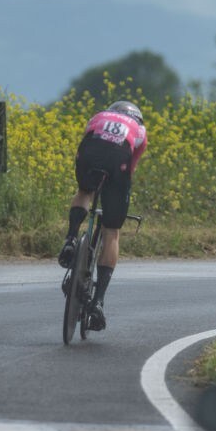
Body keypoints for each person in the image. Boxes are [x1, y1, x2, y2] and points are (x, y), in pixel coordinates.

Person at [57, 100, 148, 331]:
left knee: (84, 191)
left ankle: (70, 240)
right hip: (118, 160)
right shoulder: (140, 130)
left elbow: (87, 139)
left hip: (89, 154)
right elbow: (130, 168)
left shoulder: (99, 116)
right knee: (111, 230)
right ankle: (97, 302)